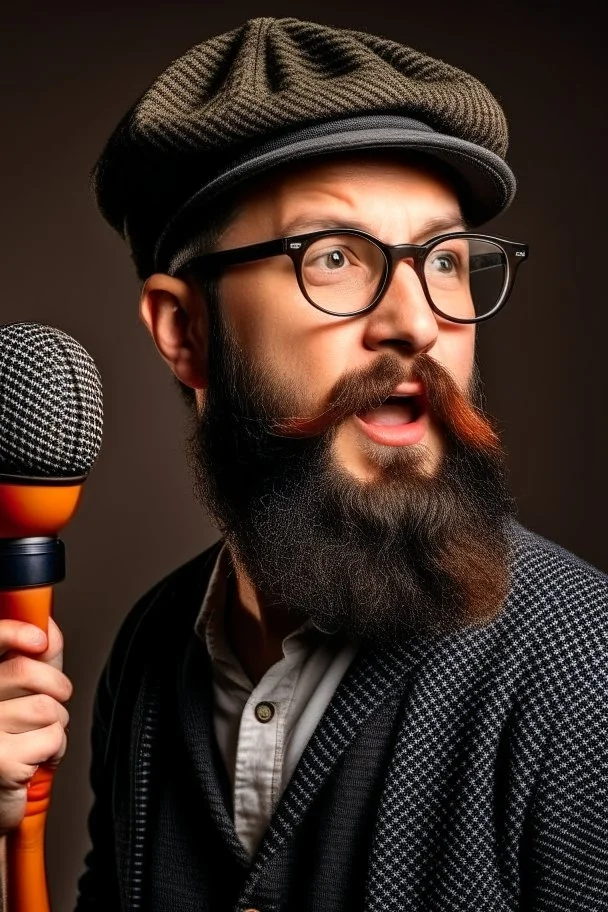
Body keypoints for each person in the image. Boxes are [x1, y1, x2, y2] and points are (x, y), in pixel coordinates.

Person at [0, 16, 606, 912]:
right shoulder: (152, 646)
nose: (418, 321)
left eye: (444, 261)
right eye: (333, 256)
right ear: (185, 332)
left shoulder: (583, 677)